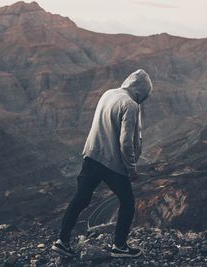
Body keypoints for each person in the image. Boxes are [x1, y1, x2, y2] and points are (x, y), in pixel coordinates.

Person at [52, 69, 153, 258]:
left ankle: (62, 242)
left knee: (80, 198)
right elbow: (125, 141)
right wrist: (131, 168)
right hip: (110, 162)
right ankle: (120, 247)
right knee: (127, 202)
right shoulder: (130, 105)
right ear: (142, 91)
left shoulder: (109, 93)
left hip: (91, 155)